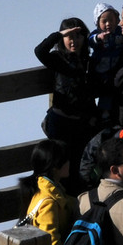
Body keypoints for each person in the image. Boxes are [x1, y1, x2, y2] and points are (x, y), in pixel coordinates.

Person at [34, 17, 95, 147]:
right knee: (60, 163)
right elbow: (39, 51)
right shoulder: (58, 58)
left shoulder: (88, 61)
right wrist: (59, 34)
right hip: (60, 121)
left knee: (79, 164)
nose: (74, 41)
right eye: (69, 37)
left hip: (82, 123)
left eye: (78, 36)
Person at [20, 139, 79, 242]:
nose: (69, 163)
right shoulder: (48, 203)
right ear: (55, 167)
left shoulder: (44, 187)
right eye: (65, 160)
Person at [88, 5, 123, 121]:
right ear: (98, 23)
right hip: (100, 72)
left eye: (111, 20)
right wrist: (99, 37)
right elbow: (90, 40)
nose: (108, 24)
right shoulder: (97, 33)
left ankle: (110, 113)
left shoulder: (119, 31)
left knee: (114, 91)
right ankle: (102, 113)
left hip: (115, 69)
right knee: (104, 91)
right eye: (104, 21)